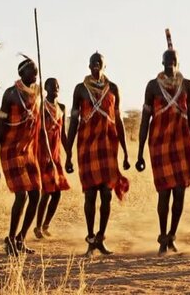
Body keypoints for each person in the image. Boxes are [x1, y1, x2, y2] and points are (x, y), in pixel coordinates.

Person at [135, 29, 190, 255]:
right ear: (162, 62)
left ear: (178, 62)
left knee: (180, 193)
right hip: (160, 145)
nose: (170, 64)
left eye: (173, 61)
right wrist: (139, 153)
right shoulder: (152, 86)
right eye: (167, 60)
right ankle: (162, 237)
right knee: (164, 192)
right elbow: (145, 120)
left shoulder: (187, 85)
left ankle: (172, 235)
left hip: (183, 144)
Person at [65, 52, 131, 256]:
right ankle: (90, 238)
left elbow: (118, 120)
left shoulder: (113, 89)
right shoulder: (80, 89)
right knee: (91, 195)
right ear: (88, 66)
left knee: (106, 194)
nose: (96, 65)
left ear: (104, 65)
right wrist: (67, 154)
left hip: (108, 147)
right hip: (86, 146)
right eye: (93, 63)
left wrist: (126, 153)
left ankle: (101, 237)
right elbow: (74, 122)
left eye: (99, 63)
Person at [0, 57, 53, 256]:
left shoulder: (38, 94)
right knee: (22, 195)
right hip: (10, 150)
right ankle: (9, 238)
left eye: (37, 71)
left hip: (29, 151)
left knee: (36, 193)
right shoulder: (10, 95)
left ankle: (21, 238)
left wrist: (49, 155)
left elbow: (42, 127)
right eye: (32, 71)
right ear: (21, 74)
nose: (36, 75)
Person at [34, 77, 70, 239]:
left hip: (56, 155)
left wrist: (69, 154)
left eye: (57, 86)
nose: (55, 88)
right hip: (43, 153)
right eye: (51, 86)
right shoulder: (41, 107)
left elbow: (63, 134)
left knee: (57, 193)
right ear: (45, 88)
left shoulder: (61, 107)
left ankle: (46, 225)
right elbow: (37, 132)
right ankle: (37, 227)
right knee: (47, 192)